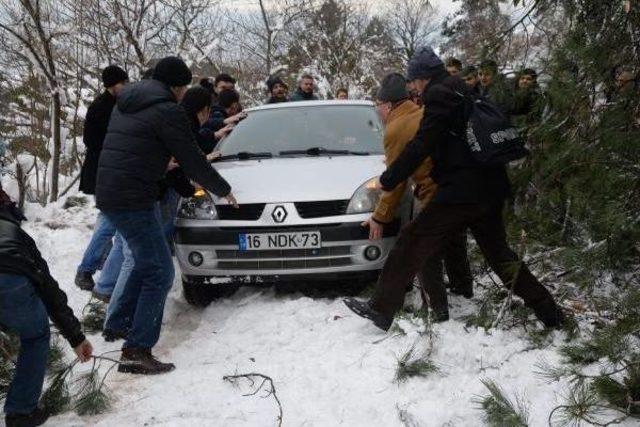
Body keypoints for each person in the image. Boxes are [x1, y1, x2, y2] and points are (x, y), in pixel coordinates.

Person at [344, 46, 563, 331]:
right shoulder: (460, 88)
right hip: (490, 183)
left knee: (412, 240)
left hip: (462, 190)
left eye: (414, 82)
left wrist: (389, 178)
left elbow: (422, 144)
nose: (414, 88)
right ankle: (551, 313)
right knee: (500, 256)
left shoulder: (439, 95)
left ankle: (381, 309)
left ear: (422, 78)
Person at [95, 56, 238, 374]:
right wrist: (223, 189)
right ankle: (136, 350)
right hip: (133, 199)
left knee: (145, 262)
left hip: (112, 193)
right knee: (160, 272)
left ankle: (120, 324)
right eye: (184, 88)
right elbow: (191, 157)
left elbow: (133, 148)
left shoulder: (127, 102)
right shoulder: (167, 109)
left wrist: (159, 165)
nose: (184, 94)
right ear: (176, 87)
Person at [362, 73, 473, 321]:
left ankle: (436, 309)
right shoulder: (420, 113)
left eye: (377, 106)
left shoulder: (395, 128)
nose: (377, 112)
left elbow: (396, 181)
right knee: (454, 238)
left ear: (388, 105)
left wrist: (379, 217)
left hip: (433, 192)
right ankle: (463, 287)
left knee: (422, 250)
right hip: (456, 187)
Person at [0, 188, 93, 427]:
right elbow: (48, 289)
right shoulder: (15, 235)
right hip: (9, 278)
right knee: (35, 336)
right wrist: (76, 337)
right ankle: (21, 412)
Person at [75, 65, 129, 292]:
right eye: (121, 83)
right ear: (111, 85)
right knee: (109, 222)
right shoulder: (100, 107)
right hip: (104, 173)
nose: (125, 87)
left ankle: (100, 266)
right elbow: (91, 140)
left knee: (109, 222)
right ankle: (87, 269)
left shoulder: (118, 104)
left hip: (112, 171)